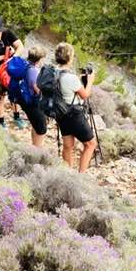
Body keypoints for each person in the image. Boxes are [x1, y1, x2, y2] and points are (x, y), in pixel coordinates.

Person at [53, 42, 97, 173]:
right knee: (90, 144)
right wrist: (90, 81)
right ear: (69, 58)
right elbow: (85, 95)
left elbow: (64, 85)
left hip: (60, 113)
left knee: (68, 146)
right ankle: (81, 175)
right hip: (74, 114)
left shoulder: (54, 72)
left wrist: (78, 79)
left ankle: (68, 174)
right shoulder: (70, 78)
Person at [10, 44, 48, 147]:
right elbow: (37, 90)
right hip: (33, 104)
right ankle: (37, 151)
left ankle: (34, 146)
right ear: (39, 59)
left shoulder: (27, 65)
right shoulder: (34, 71)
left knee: (35, 125)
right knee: (41, 129)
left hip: (25, 101)